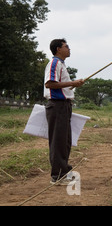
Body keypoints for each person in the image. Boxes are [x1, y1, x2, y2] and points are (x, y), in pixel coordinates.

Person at [43, 39, 84, 185]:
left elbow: (60, 85)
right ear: (58, 49)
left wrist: (72, 85)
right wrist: (73, 83)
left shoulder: (61, 65)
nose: (69, 49)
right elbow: (49, 84)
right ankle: (57, 176)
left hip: (64, 106)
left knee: (65, 141)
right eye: (66, 46)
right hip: (57, 106)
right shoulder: (54, 63)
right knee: (58, 141)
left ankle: (64, 171)